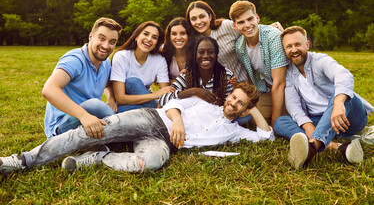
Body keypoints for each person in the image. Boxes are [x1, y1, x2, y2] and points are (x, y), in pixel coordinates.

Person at [0, 82, 274, 174]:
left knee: (149, 163)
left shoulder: (237, 132)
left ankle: (99, 157)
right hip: (150, 119)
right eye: (233, 97)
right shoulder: (205, 103)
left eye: (240, 104)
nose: (233, 103)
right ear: (228, 95)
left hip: (163, 144)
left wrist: (253, 111)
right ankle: (22, 161)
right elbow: (172, 102)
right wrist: (177, 119)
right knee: (88, 131)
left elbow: (266, 137)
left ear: (246, 108)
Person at [273, 26, 374, 169]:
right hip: (319, 120)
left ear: (307, 45)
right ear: (285, 50)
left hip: (348, 118)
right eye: (289, 46)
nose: (293, 49)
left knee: (344, 96)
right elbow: (292, 103)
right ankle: (337, 147)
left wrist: (338, 102)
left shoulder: (320, 60)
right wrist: (306, 124)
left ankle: (311, 148)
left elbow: (344, 75)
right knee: (281, 122)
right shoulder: (288, 72)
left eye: (297, 44)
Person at [43, 17, 122, 139]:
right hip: (62, 126)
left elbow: (108, 84)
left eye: (112, 42)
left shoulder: (105, 63)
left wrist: (111, 98)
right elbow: (49, 90)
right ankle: (125, 136)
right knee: (96, 105)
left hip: (90, 119)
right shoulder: (75, 59)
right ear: (91, 37)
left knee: (122, 103)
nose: (106, 46)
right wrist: (84, 116)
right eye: (101, 39)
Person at [229, 0, 288, 126]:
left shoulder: (273, 37)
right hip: (267, 89)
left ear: (257, 18)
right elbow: (252, 75)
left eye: (250, 19)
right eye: (241, 22)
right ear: (235, 26)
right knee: (251, 121)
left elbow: (279, 83)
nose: (247, 25)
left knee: (282, 123)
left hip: (289, 89)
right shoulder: (240, 46)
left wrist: (274, 122)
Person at [110, 21, 174, 113]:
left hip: (139, 103)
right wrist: (153, 95)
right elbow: (120, 98)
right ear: (136, 37)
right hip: (130, 101)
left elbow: (165, 93)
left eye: (154, 37)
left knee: (121, 110)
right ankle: (156, 114)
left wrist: (158, 99)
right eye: (146, 34)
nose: (149, 39)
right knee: (133, 82)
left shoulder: (159, 60)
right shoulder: (121, 56)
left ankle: (154, 113)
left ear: (157, 43)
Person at [159, 36, 235, 107]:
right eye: (201, 52)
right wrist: (194, 91)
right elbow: (162, 100)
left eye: (211, 52)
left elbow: (232, 104)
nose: (205, 56)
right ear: (195, 55)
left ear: (216, 54)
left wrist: (221, 103)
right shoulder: (187, 75)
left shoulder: (226, 75)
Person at [186, 1, 248, 83]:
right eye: (193, 19)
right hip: (220, 89)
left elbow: (251, 31)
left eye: (202, 16)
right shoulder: (194, 41)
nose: (198, 22)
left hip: (244, 82)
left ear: (210, 17)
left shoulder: (226, 26)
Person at [161, 17, 194, 83]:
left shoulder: (196, 52)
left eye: (183, 33)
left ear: (188, 35)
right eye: (174, 34)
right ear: (169, 36)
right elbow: (162, 80)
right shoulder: (163, 52)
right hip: (172, 91)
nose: (178, 38)